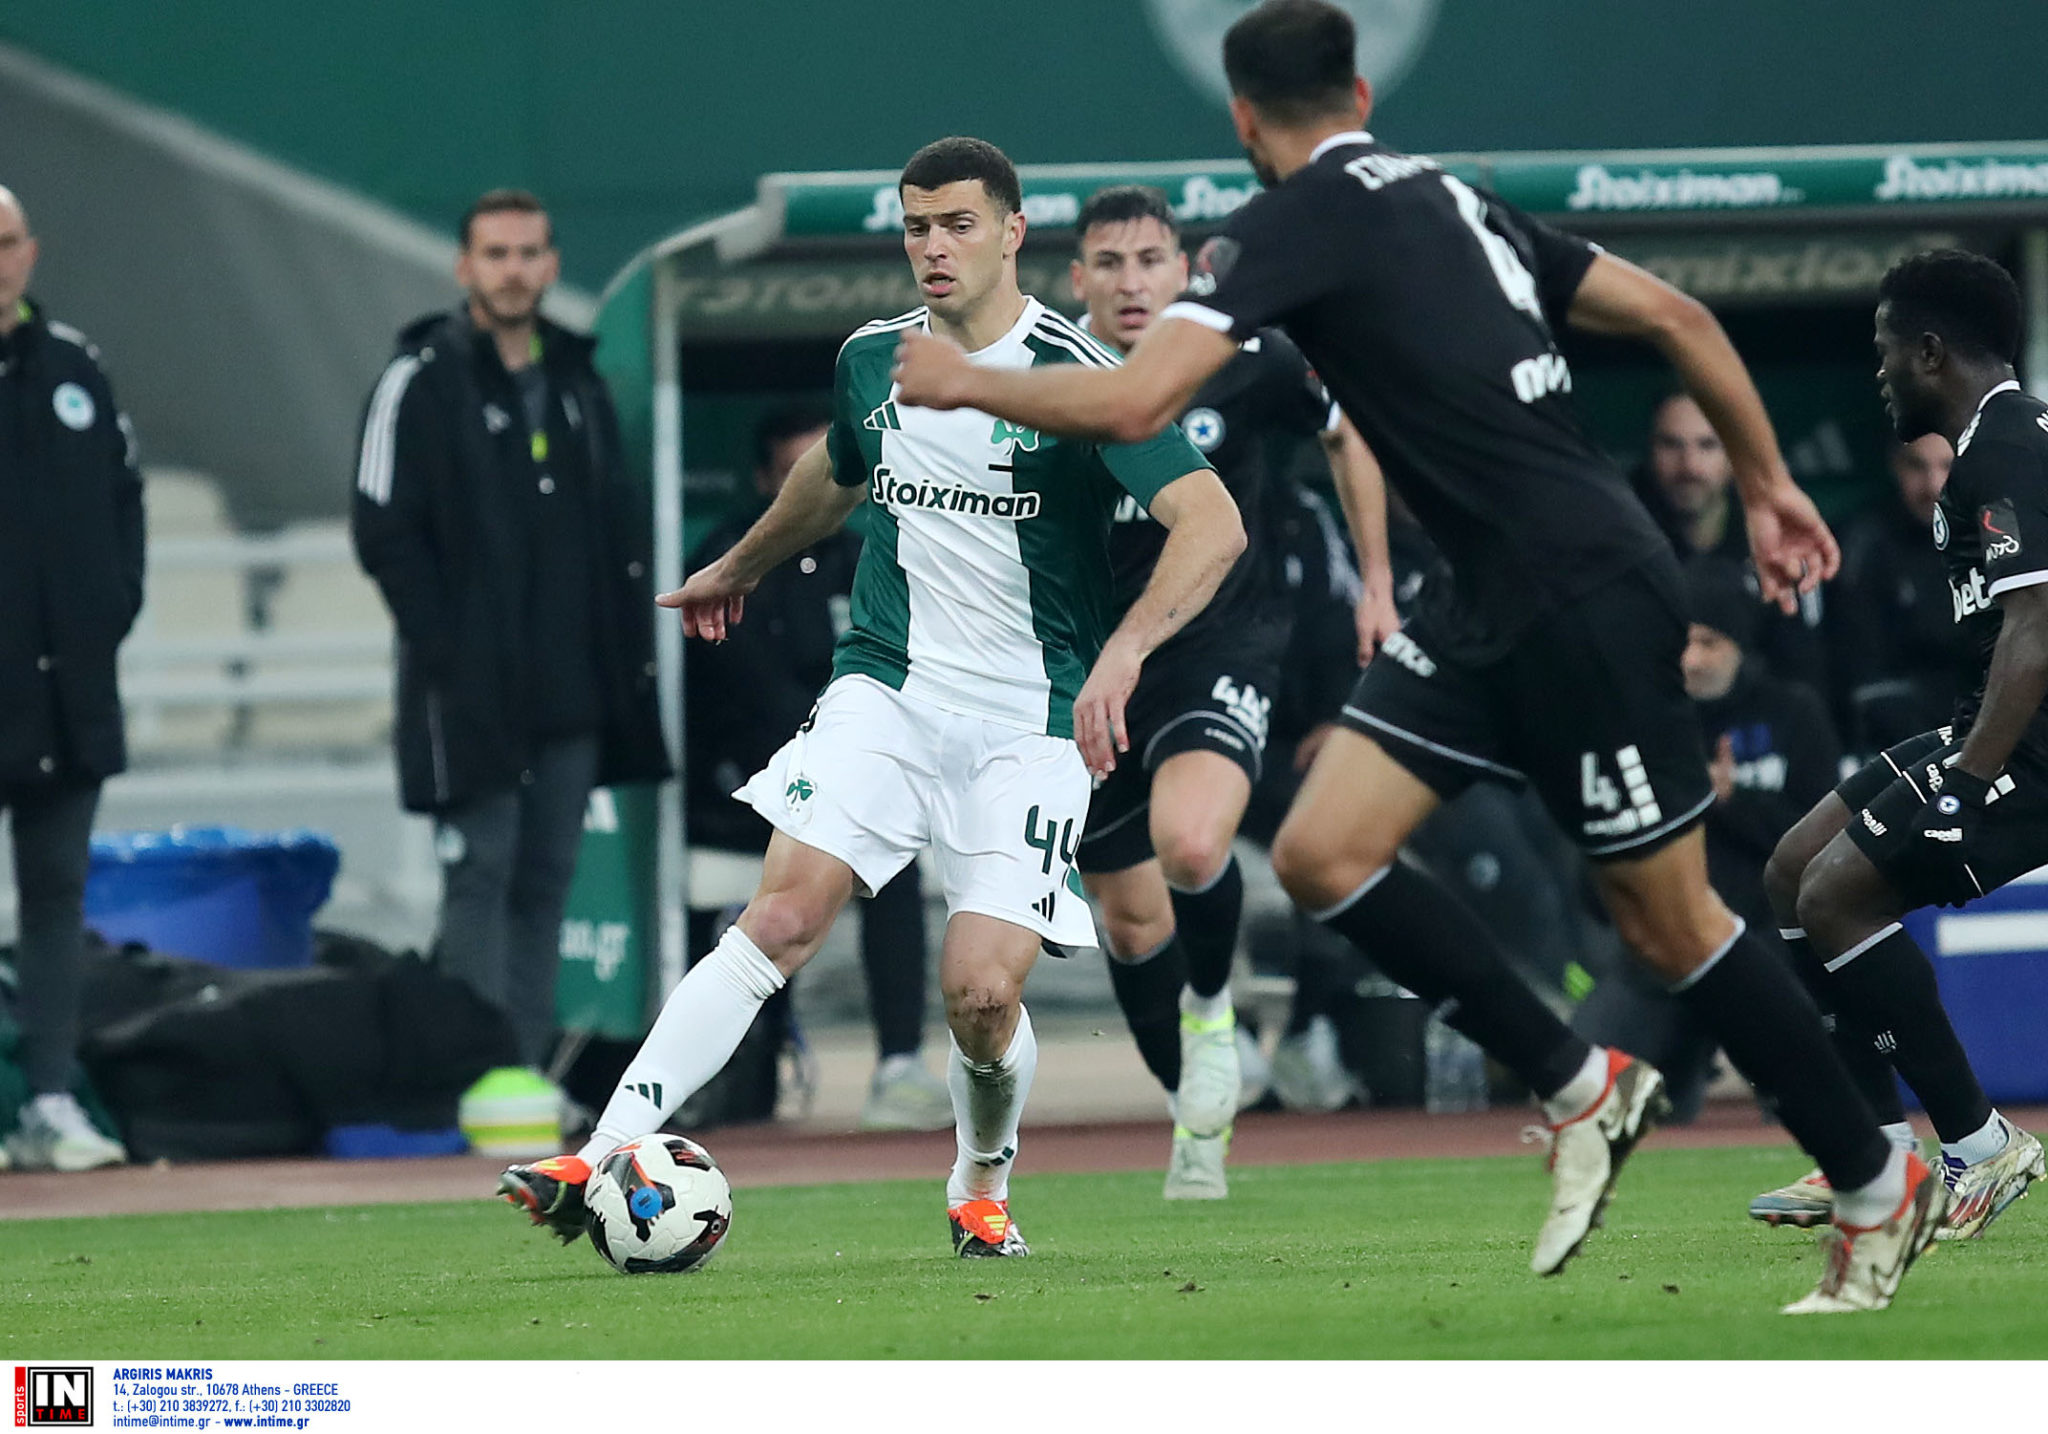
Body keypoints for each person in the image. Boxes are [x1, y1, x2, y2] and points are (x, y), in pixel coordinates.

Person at [892, 0, 1945, 1312]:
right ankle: (1581, 1085)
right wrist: (1769, 481)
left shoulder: (1292, 221)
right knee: (1324, 851)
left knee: (1670, 921)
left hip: (1578, 589)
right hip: (1479, 601)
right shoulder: (1456, 197)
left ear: (1242, 119)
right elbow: (1676, 314)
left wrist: (966, 381)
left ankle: (1872, 1177)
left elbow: (1133, 397)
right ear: (1361, 96)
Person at [500, 137, 1242, 1258]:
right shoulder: (871, 359)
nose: (932, 247)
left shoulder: (1080, 377)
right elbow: (837, 471)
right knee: (781, 917)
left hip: (1029, 718)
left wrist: (1126, 650)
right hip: (888, 686)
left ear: (1012, 233)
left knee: (980, 996)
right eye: (915, 226)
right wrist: (739, 566)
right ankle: (598, 1152)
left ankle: (979, 1180)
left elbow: (1213, 521)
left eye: (956, 224)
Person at [1063, 184, 1397, 1196]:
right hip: (1082, 666)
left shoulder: (1245, 355)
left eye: (1149, 261)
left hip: (1218, 638)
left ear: (1183, 270)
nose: (1131, 283)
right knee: (1130, 922)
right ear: (1076, 279)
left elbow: (1346, 432)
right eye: (1109, 264)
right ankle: (1192, 1113)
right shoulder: (1043, 373)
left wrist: (1376, 581)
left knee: (1194, 843)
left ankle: (1211, 1010)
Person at [1757, 249, 2047, 1241]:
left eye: (1883, 349)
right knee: (1790, 870)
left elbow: (2035, 629)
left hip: (2032, 749)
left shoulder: (2003, 448)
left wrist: (1968, 779)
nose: (1877, 371)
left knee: (1836, 896)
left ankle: (1979, 1146)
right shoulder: (1995, 442)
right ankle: (1872, 1157)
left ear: (1929, 351)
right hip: (1990, 726)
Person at [352, 189, 670, 1082]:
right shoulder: (418, 379)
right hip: (468, 692)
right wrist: (447, 653)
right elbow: (381, 528)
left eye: (529, 253)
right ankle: (468, 1081)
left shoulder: (578, 381)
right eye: (496, 254)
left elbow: (613, 535)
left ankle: (523, 1084)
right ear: (465, 267)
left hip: (571, 692)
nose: (514, 270)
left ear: (552, 264)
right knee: (479, 879)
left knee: (544, 886)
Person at [686, 403, 949, 1132]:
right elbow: (745, 697)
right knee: (796, 898)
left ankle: (899, 1065)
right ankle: (707, 1076)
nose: (819, 488)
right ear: (766, 480)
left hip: (850, 781)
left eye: (829, 470)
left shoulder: (867, 557)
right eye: (797, 472)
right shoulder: (729, 560)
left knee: (892, 857)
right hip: (746, 788)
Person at [1574, 557, 1841, 1122]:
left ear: (1740, 645)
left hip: (1772, 946)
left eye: (1710, 643)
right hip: (1665, 951)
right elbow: (1593, 865)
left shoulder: (1794, 713)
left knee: (1821, 1101)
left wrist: (1732, 802)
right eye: (1684, 642)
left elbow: (1828, 845)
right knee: (1585, 1091)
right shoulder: (1637, 721)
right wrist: (1680, 801)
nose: (1692, 659)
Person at [0, 183, 136, 1172]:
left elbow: (124, 509)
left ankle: (49, 1099)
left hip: (66, 694)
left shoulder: (76, 367)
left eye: (5, 241)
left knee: (56, 899)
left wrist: (102, 621)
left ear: (31, 252)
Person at [1637, 391, 1829, 692]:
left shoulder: (1777, 541)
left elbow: (1804, 675)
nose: (1689, 466)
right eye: (1672, 445)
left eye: (1707, 445)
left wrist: (1737, 672)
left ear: (1733, 456)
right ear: (1650, 451)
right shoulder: (1622, 537)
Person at [1830, 435, 1959, 753]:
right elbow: (1861, 676)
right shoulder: (1863, 544)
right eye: (1917, 466)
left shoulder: (1996, 537)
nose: (1933, 485)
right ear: (1895, 465)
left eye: (1947, 466)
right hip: (1899, 737)